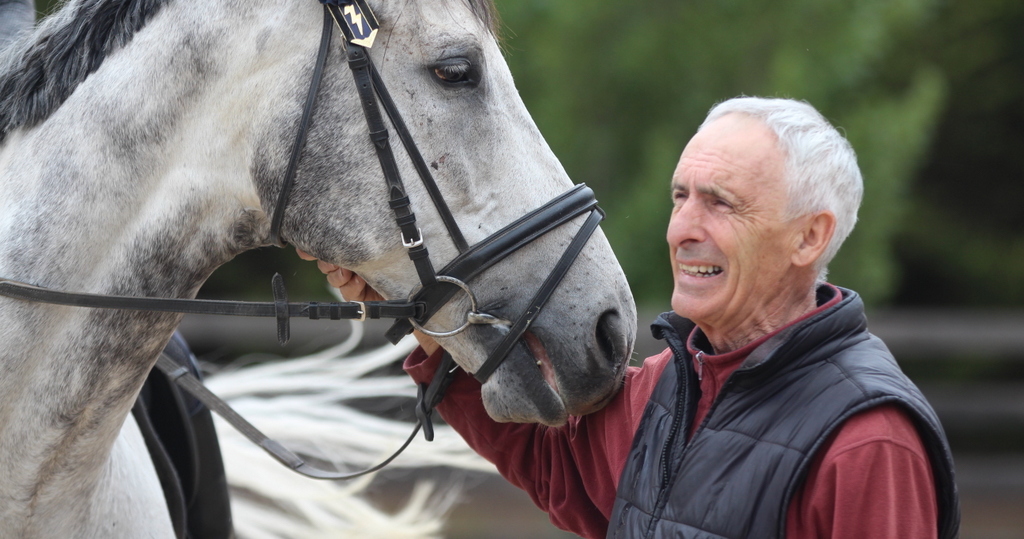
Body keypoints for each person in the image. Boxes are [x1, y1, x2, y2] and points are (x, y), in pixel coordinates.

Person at [304, 96, 959, 538]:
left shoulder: (870, 439)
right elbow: (548, 461)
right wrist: (428, 314)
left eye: (721, 203)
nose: (683, 228)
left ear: (809, 237)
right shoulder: (667, 383)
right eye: (681, 196)